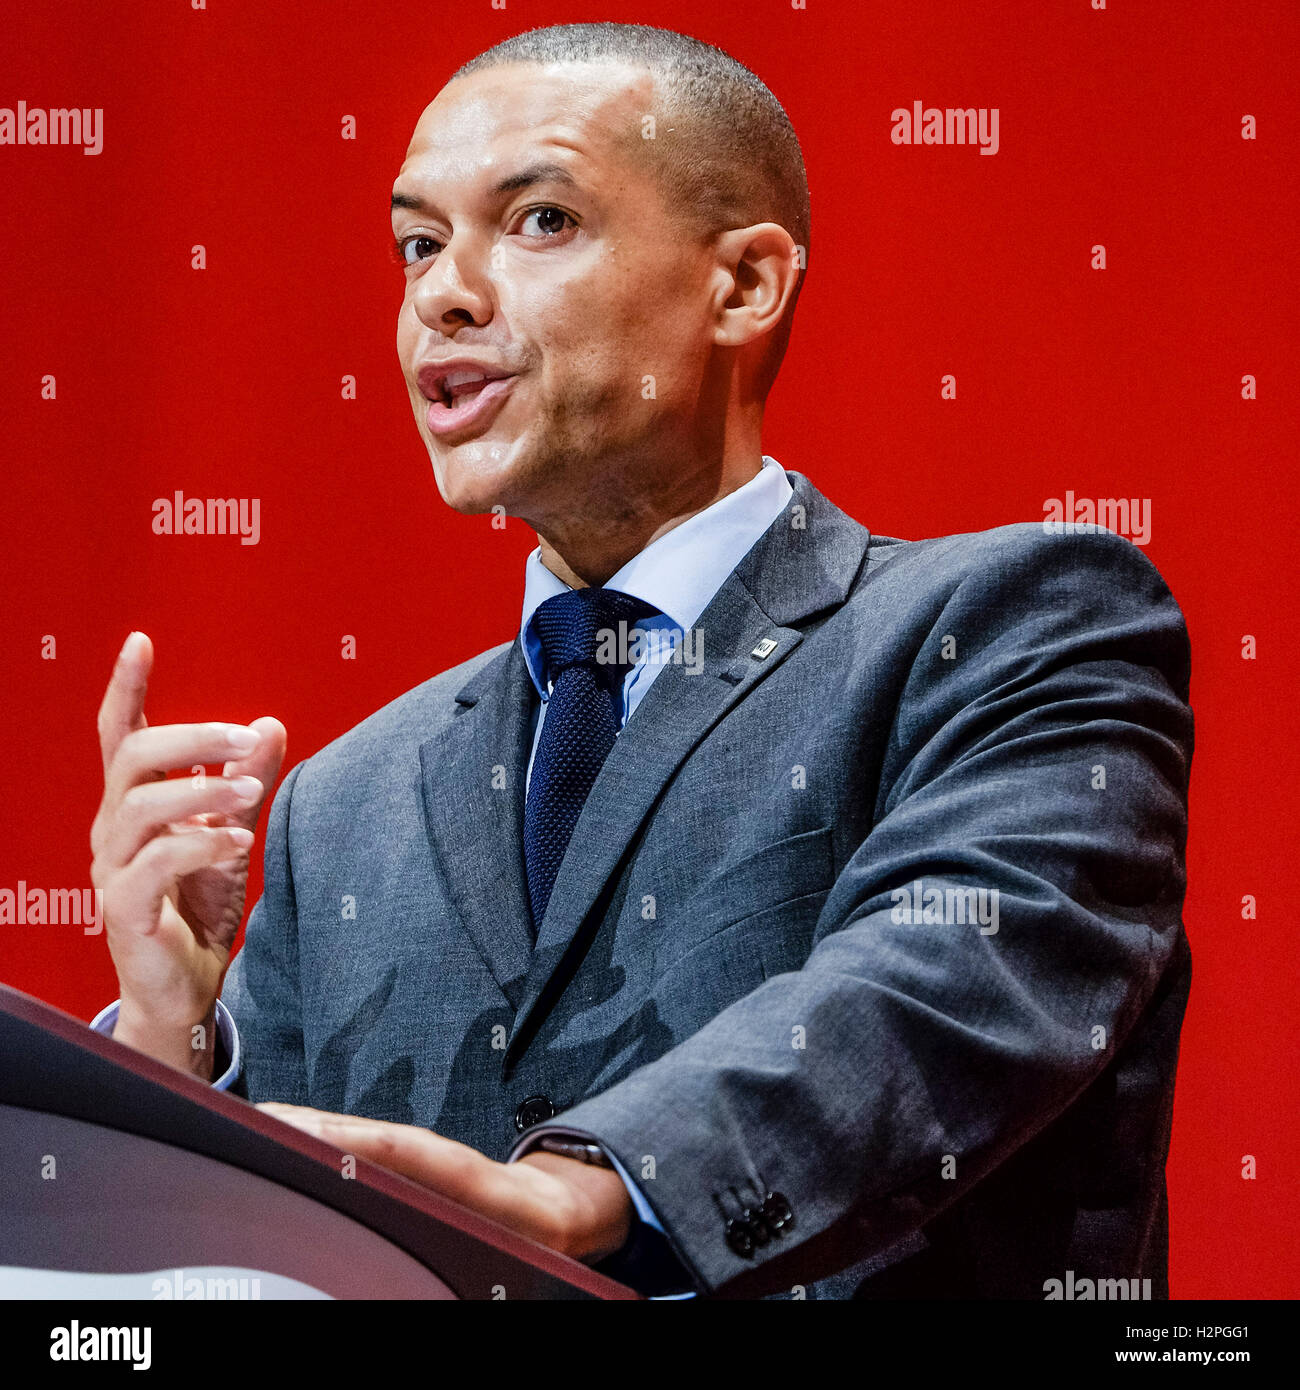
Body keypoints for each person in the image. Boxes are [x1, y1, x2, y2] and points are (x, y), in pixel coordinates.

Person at [88, 22, 1193, 1300]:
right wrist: (172, 1046)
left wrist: (591, 1187)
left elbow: (948, 990)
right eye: (417, 242)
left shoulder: (1013, 622)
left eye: (540, 220)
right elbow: (259, 1252)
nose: (442, 292)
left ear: (744, 286)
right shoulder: (342, 804)